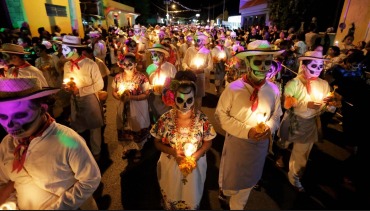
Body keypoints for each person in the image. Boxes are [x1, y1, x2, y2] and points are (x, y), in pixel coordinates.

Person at [0, 77, 101, 210]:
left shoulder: (68, 140)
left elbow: (90, 179)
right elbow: (5, 181)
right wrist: (11, 204)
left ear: (42, 109)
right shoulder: (7, 143)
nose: (10, 124)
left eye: (19, 115)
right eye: (3, 116)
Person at [214, 40, 284, 210]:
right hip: (238, 144)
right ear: (248, 62)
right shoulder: (233, 88)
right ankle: (226, 193)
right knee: (232, 181)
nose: (263, 67)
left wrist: (268, 127)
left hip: (260, 145)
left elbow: (277, 114)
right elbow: (220, 115)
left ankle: (238, 205)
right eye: (258, 62)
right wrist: (247, 131)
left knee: (248, 183)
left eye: (267, 62)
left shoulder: (274, 89)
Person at [150, 71, 217, 210]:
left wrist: (195, 157)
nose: (185, 105)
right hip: (170, 165)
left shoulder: (202, 119)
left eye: (189, 100)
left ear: (194, 98)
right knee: (172, 193)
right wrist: (172, 152)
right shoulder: (165, 119)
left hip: (195, 165)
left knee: (191, 195)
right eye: (180, 100)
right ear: (173, 98)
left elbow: (208, 141)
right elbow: (156, 142)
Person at [276, 51, 337, 192]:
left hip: (310, 124)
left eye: (320, 66)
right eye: (314, 66)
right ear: (304, 66)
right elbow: (287, 103)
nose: (317, 69)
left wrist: (330, 105)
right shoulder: (294, 83)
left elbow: (328, 104)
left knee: (302, 154)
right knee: (283, 143)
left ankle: (294, 177)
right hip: (292, 121)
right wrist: (305, 104)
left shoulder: (324, 84)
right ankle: (280, 156)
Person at [61, 35, 105, 161]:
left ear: (74, 50)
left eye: (65, 49)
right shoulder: (67, 66)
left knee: (94, 126)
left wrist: (81, 90)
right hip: (75, 100)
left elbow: (99, 84)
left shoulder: (90, 64)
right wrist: (67, 87)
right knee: (77, 125)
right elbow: (66, 81)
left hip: (90, 99)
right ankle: (81, 152)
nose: (62, 52)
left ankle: (96, 151)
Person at [111, 53, 151, 162]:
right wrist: (119, 96)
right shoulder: (118, 77)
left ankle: (139, 149)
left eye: (130, 64)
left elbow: (147, 94)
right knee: (124, 125)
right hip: (123, 106)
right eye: (125, 64)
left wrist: (132, 97)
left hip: (138, 107)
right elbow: (113, 92)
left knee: (137, 125)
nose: (127, 66)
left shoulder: (142, 78)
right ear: (121, 64)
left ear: (135, 64)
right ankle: (126, 147)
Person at [182, 31, 213, 111]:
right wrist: (187, 68)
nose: (196, 42)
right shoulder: (189, 50)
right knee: (189, 95)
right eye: (195, 40)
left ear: (203, 41)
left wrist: (203, 70)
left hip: (200, 77)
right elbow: (184, 62)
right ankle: (190, 113)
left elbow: (210, 66)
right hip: (190, 76)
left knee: (198, 97)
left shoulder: (207, 52)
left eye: (198, 40)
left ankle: (197, 114)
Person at [146, 44, 177, 123]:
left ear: (162, 55)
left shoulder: (170, 67)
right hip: (154, 96)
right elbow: (146, 83)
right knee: (154, 114)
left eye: (156, 55)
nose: (153, 57)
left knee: (166, 116)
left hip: (166, 97)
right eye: (152, 55)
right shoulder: (149, 68)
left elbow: (175, 83)